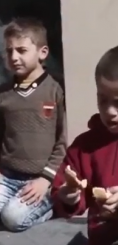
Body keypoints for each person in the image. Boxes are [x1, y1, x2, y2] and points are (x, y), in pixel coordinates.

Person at [0, 17, 66, 231]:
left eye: (21, 50)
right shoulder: (2, 93)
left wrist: (46, 180)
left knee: (13, 219)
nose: (14, 57)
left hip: (41, 180)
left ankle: (51, 206)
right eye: (9, 51)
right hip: (7, 176)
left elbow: (62, 140)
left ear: (42, 53)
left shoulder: (55, 90)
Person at [51, 46, 118, 245]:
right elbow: (62, 187)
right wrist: (69, 196)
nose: (110, 111)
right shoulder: (85, 147)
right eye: (102, 100)